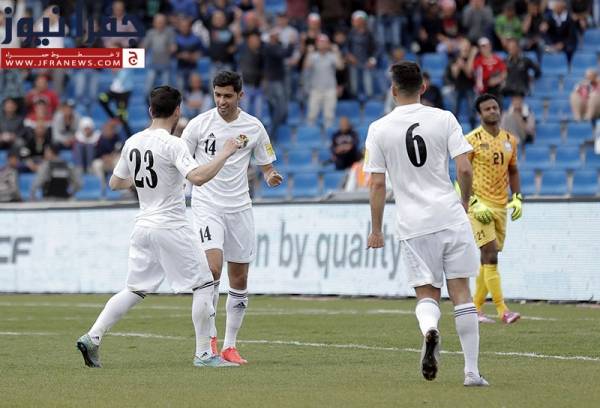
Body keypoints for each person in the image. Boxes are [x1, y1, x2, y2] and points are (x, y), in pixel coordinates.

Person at [76, 86, 243, 369]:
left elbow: (115, 183)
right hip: (170, 225)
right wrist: (225, 153)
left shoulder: (133, 141)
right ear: (177, 112)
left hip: (143, 226)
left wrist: (146, 180)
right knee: (204, 283)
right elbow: (198, 177)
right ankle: (204, 354)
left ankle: (93, 336)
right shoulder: (173, 144)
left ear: (151, 110)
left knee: (134, 289)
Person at [365, 61, 488, 386]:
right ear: (423, 87)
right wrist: (464, 203)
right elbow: (464, 168)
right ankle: (471, 372)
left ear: (393, 90)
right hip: (449, 215)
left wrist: (376, 229)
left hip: (413, 223)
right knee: (461, 292)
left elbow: (376, 184)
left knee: (427, 295)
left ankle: (430, 329)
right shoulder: (444, 118)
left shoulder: (379, 128)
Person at [182, 71, 283, 365]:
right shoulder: (199, 124)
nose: (222, 101)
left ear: (240, 95)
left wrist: (271, 176)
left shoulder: (254, 126)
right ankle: (209, 338)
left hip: (239, 207)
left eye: (228, 96)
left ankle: (229, 346)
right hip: (207, 205)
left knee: (239, 278)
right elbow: (181, 161)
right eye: (217, 95)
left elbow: (266, 165)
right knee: (212, 270)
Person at [466, 94, 522, 325]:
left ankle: (475, 308)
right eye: (487, 108)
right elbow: (460, 173)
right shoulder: (471, 140)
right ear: (479, 114)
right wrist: (471, 202)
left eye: (495, 107)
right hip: (480, 205)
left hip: (501, 205)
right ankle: (502, 309)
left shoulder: (510, 140)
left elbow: (513, 170)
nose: (493, 111)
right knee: (490, 254)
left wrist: (517, 197)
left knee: (488, 258)